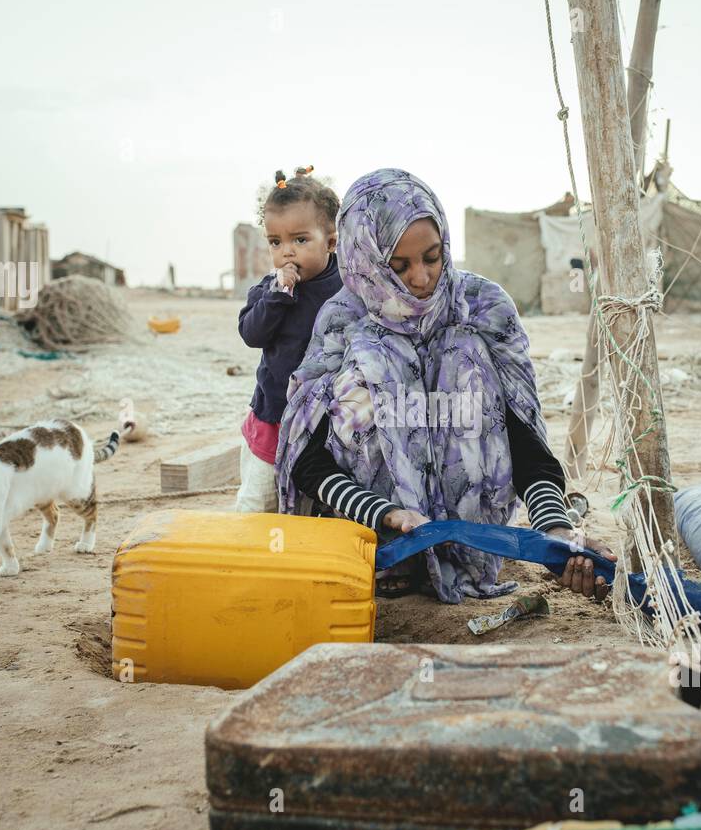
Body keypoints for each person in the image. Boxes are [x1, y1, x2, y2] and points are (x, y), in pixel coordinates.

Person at [277, 167, 615, 602]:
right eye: (398, 266)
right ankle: (403, 558)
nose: (421, 278)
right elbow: (307, 460)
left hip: (476, 541)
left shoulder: (481, 309)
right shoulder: (344, 325)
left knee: (463, 350)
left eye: (433, 257)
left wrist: (555, 528)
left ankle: (463, 552)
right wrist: (387, 514)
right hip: (378, 535)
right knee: (373, 356)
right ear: (365, 262)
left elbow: (523, 440)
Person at [235, 167, 342, 513]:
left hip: (324, 423)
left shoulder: (348, 287)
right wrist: (278, 296)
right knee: (259, 502)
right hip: (274, 417)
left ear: (331, 241)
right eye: (275, 242)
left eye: (300, 240)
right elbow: (251, 334)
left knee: (313, 503)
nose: (287, 253)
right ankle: (247, 555)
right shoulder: (270, 289)